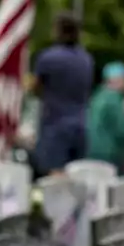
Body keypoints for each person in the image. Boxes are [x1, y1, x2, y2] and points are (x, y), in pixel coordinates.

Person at [32, 12, 94, 176]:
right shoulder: (86, 59)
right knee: (77, 174)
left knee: (56, 175)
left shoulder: (48, 58)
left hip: (55, 124)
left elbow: (36, 88)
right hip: (81, 124)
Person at [85, 62, 124, 169]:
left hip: (92, 149)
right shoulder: (114, 99)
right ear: (118, 79)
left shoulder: (97, 96)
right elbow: (122, 128)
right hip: (110, 152)